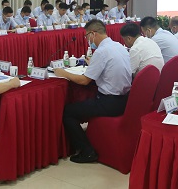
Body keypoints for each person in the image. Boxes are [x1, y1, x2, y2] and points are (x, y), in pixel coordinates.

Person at [55, 20, 131, 163]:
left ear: (93, 34)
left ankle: (87, 151)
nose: (87, 40)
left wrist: (63, 73)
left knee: (68, 112)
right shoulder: (118, 46)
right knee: (82, 105)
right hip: (125, 100)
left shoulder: (101, 52)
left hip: (109, 103)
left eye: (86, 36)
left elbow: (84, 81)